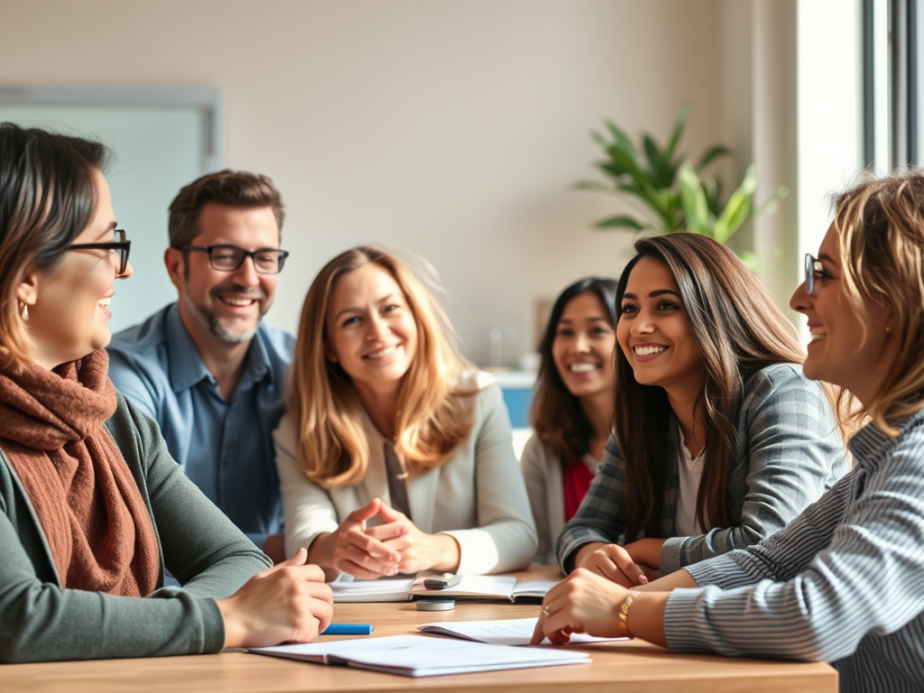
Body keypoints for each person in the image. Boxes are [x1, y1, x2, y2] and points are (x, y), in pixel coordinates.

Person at [533, 173, 924, 693]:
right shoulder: (884, 460)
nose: (798, 297)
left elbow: (813, 614)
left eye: (822, 276)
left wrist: (626, 610)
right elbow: (770, 557)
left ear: (892, 303)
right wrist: (606, 599)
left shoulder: (914, 459)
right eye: (629, 308)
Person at [0, 123, 332, 663]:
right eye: (107, 243)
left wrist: (152, 624)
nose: (123, 267)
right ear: (28, 275)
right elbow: (17, 619)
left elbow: (234, 555)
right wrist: (230, 617)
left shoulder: (110, 414)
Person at [557, 233, 847, 584]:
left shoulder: (783, 390)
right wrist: (591, 555)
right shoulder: (642, 414)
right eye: (629, 309)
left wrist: (651, 550)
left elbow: (771, 544)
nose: (638, 327)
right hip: (675, 630)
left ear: (717, 313)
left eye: (665, 305)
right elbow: (582, 528)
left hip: (781, 633)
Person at [274, 246, 537, 579]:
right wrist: (334, 548)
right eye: (352, 319)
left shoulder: (478, 398)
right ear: (328, 347)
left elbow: (518, 536)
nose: (378, 332)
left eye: (390, 308)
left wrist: (434, 549)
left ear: (416, 316)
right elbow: (304, 539)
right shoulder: (298, 432)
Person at [107, 170, 293, 562]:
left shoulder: (299, 369)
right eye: (224, 255)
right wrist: (281, 549)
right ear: (176, 267)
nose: (248, 278)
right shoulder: (123, 375)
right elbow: (137, 537)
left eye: (264, 258)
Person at [520, 277, 618, 564]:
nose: (578, 346)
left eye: (597, 330)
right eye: (565, 332)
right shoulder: (542, 450)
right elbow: (532, 554)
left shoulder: (667, 437)